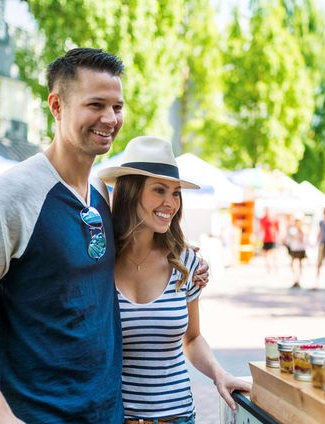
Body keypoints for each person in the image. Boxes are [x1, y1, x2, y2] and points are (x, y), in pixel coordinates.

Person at [0, 48, 207, 423]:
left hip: (108, 412)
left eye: (117, 106)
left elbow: (135, 245)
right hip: (38, 414)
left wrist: (186, 257)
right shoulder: (11, 195)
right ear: (57, 106)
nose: (110, 118)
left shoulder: (101, 194)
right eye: (95, 104)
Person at [99, 136, 250, 423]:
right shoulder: (99, 263)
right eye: (159, 190)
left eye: (176, 192)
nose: (171, 203)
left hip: (179, 417)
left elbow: (192, 339)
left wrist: (220, 375)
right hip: (118, 417)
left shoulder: (186, 263)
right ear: (131, 193)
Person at [285, 217, 307, 289]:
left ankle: (298, 279)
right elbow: (289, 238)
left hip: (300, 249)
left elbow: (303, 239)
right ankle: (295, 279)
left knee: (299, 264)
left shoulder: (303, 229)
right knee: (293, 264)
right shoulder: (292, 230)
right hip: (294, 249)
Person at [258, 208, 279, 273]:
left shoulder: (273, 219)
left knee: (273, 253)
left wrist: (277, 236)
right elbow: (260, 228)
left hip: (272, 238)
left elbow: (277, 229)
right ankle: (268, 267)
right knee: (266, 254)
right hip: (265, 239)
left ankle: (274, 266)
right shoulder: (262, 219)